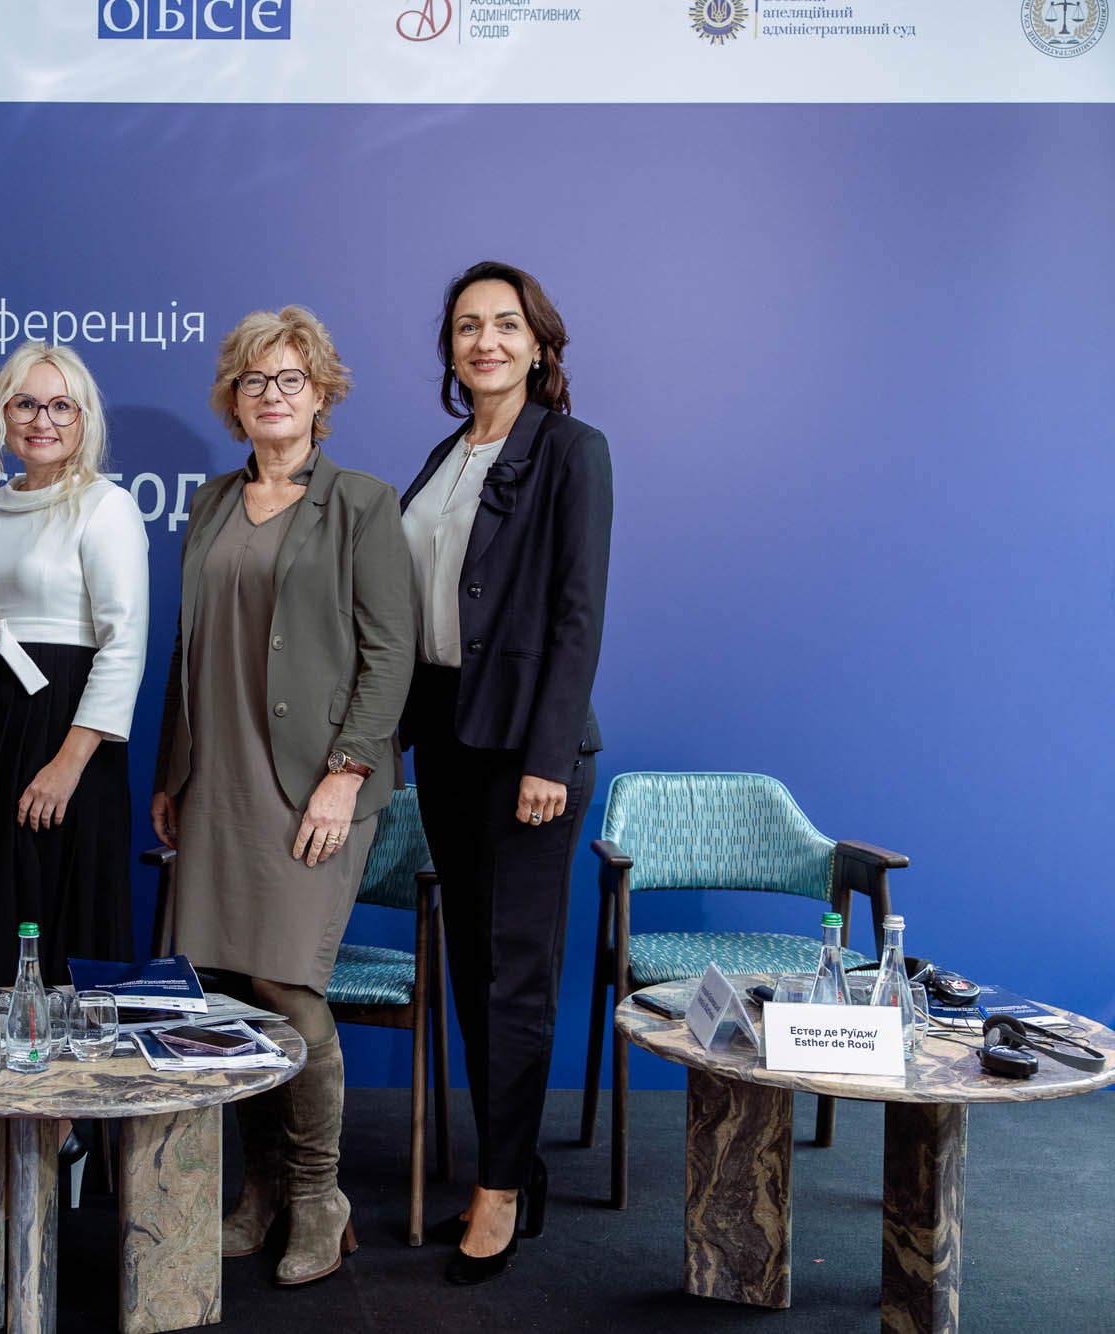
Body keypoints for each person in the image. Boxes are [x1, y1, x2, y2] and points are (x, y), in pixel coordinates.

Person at [151, 306, 414, 1287]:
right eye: (253, 380)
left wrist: (346, 774)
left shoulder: (361, 503)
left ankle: (317, 1194)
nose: (271, 394)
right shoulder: (211, 501)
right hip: (213, 778)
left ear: (320, 393)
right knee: (224, 985)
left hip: (312, 783)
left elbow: (389, 653)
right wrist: (170, 773)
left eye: (290, 378)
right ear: (233, 399)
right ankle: (258, 1188)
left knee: (288, 986)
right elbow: (187, 648)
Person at [399, 261, 613, 1284]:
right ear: (449, 349)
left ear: (538, 344)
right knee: (474, 970)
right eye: (465, 326)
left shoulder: (571, 449)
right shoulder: (444, 455)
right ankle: (511, 1164)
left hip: (528, 749)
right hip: (445, 736)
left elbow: (577, 612)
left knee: (515, 972)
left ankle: (495, 1192)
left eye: (504, 324)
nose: (483, 341)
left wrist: (547, 757)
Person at [0, 341, 148, 992]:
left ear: (85, 419)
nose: (42, 420)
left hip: (65, 732)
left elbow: (124, 643)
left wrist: (67, 765)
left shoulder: (106, 506)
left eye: (61, 406)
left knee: (52, 911)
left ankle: (62, 1058)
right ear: (3, 415)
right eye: (25, 403)